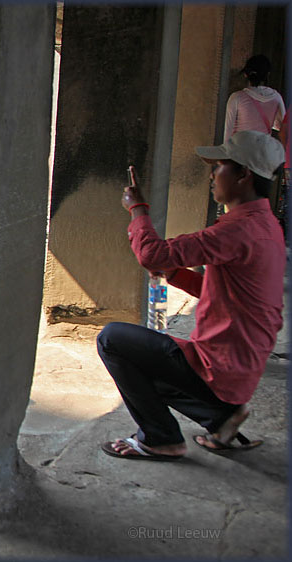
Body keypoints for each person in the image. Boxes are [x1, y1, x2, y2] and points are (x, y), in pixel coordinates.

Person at [99, 130, 285, 461]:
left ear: (243, 175)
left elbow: (152, 254)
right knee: (148, 360)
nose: (213, 175)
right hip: (243, 365)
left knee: (113, 340)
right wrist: (175, 275)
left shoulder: (236, 229)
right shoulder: (267, 225)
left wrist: (138, 209)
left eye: (220, 166)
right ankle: (221, 418)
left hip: (222, 367)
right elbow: (229, 295)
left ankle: (161, 438)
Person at [223, 55, 285, 142]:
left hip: (241, 151)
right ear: (267, 74)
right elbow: (283, 127)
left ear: (245, 74)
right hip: (263, 151)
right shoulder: (276, 97)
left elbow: (228, 130)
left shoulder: (237, 98)